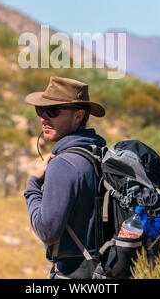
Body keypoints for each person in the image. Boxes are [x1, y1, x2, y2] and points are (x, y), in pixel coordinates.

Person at [23, 76, 107, 279]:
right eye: (40, 111)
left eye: (52, 111)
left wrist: (32, 186)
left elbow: (47, 231)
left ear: (78, 116)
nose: (43, 118)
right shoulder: (99, 154)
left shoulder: (64, 164)